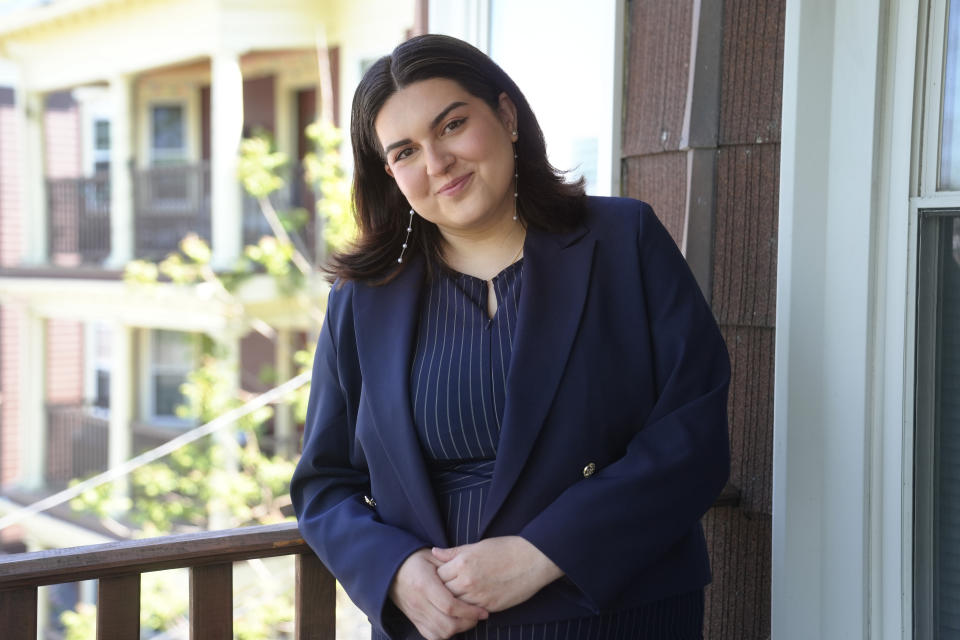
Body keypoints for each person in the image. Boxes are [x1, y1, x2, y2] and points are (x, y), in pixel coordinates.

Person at [290, 33, 730, 640]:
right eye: (405, 152)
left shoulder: (623, 240)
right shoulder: (363, 298)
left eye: (450, 126)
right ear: (389, 174)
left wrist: (543, 552)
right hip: (435, 626)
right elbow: (323, 484)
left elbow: (693, 435)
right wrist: (393, 571)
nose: (436, 163)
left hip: (614, 615)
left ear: (506, 115)